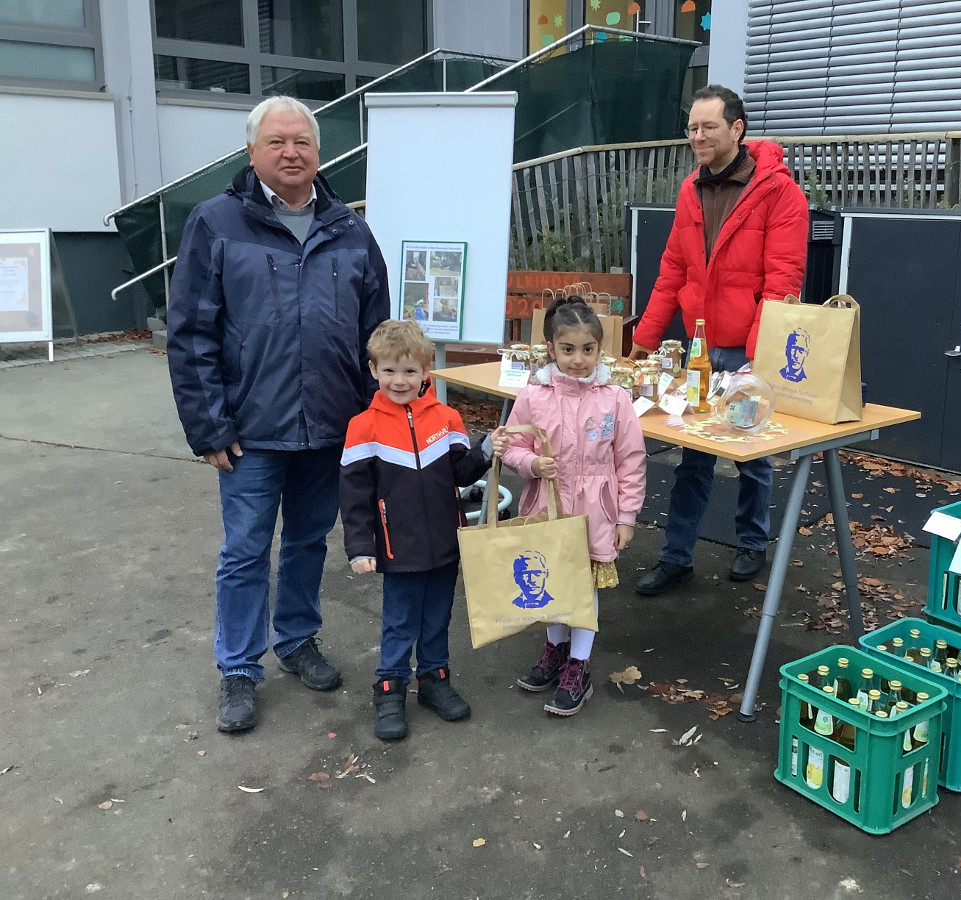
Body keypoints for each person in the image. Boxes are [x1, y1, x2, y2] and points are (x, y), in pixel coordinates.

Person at [167, 95, 390, 734]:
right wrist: (208, 425)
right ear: (251, 152)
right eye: (277, 142)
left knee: (306, 540)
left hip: (331, 424)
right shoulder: (215, 223)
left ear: (319, 153)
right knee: (244, 550)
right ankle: (238, 668)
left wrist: (374, 416)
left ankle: (296, 639)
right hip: (249, 431)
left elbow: (377, 332)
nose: (292, 152)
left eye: (303, 142)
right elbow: (190, 334)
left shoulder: (349, 228)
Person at [631, 84, 809, 595]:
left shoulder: (780, 192)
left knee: (752, 456)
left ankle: (753, 545)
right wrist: (644, 338)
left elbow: (783, 283)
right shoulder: (690, 189)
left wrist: (756, 358)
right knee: (692, 456)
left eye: (708, 126)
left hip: (748, 349)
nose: (698, 136)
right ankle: (676, 556)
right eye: (692, 127)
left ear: (737, 129)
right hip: (699, 348)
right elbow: (672, 270)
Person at [340, 320, 508, 741]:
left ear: (426, 372)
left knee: (437, 618)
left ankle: (434, 681)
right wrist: (361, 546)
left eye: (410, 371)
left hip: (446, 545)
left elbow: (461, 474)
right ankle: (389, 690)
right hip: (398, 549)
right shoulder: (363, 427)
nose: (400, 380)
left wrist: (486, 450)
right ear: (374, 370)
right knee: (399, 623)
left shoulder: (448, 418)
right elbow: (354, 495)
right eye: (391, 371)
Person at [501, 296, 646, 716]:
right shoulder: (533, 395)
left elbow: (631, 459)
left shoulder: (616, 398)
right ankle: (556, 649)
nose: (578, 359)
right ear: (551, 347)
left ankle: (578, 666)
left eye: (588, 349)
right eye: (568, 349)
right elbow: (513, 444)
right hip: (546, 505)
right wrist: (530, 463)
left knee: (582, 587)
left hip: (595, 512)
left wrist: (627, 516)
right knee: (550, 580)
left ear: (601, 350)